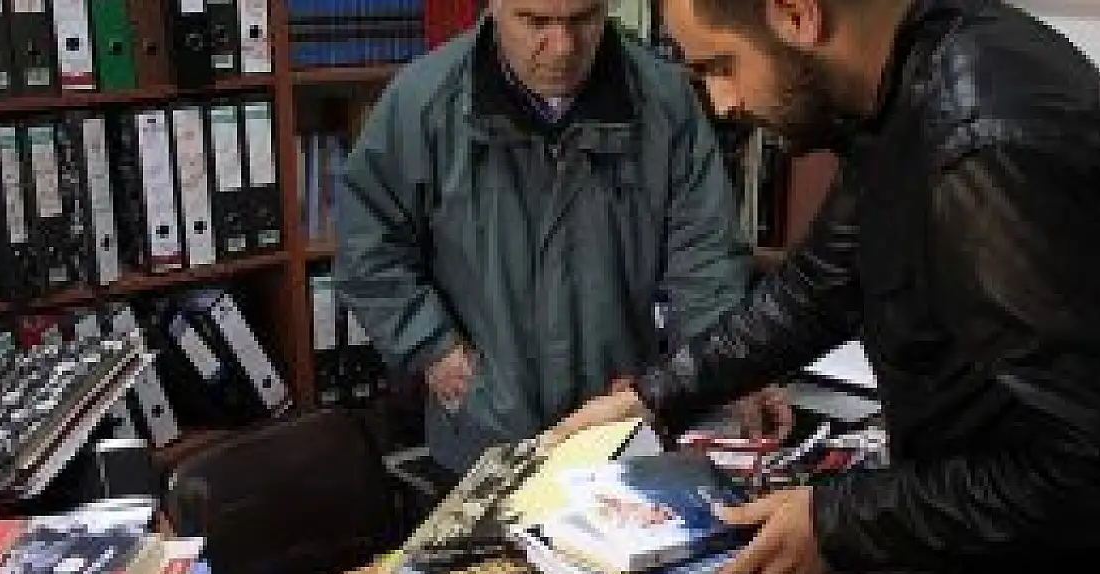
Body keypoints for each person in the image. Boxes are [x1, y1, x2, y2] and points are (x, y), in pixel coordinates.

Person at [544, 0, 1100, 574]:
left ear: (796, 15)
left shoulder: (982, 144)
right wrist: (654, 394)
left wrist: (838, 520)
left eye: (721, 66)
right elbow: (818, 285)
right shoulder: (909, 77)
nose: (723, 102)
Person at [334, 0, 791, 476]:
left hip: (622, 420)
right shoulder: (423, 103)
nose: (562, 47)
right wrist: (432, 347)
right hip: (486, 430)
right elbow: (368, 243)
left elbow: (705, 257)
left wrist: (727, 370)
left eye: (583, 19)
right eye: (535, 22)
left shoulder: (663, 100)